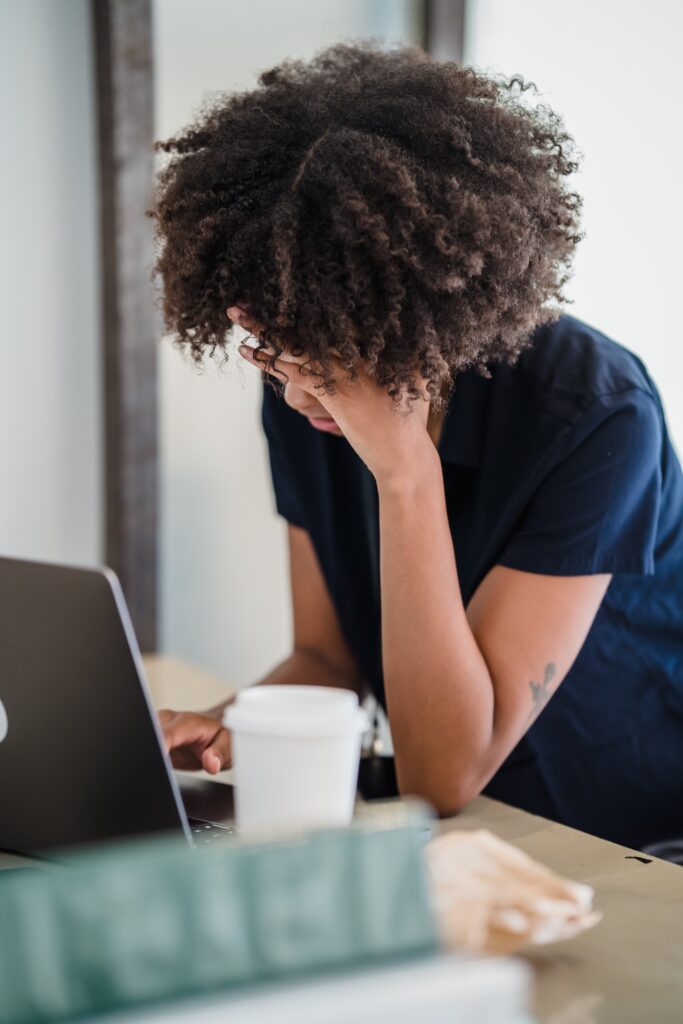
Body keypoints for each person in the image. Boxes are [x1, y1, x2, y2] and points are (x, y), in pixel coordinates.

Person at [151, 42, 683, 850]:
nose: (296, 394)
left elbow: (444, 772)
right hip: (456, 839)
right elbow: (326, 657)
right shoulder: (305, 397)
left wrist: (403, 472)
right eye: (268, 352)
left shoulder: (596, 414)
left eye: (324, 363)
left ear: (418, 316)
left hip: (616, 838)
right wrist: (227, 725)